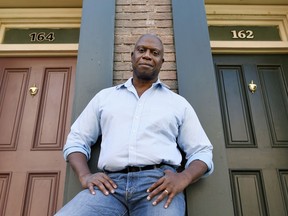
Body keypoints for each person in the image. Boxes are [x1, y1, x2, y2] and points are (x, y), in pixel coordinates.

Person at [55, 34, 213, 216]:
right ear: (132, 56)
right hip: (109, 186)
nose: (147, 55)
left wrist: (183, 177)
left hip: (158, 186)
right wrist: (85, 176)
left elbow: (202, 151)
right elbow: (77, 140)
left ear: (162, 61)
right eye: (141, 50)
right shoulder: (105, 98)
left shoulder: (178, 104)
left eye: (154, 52)